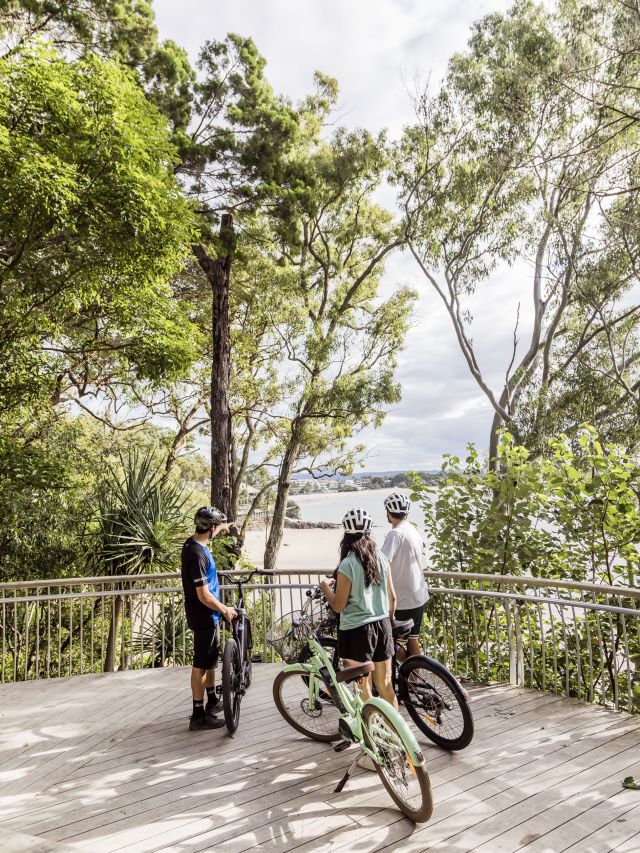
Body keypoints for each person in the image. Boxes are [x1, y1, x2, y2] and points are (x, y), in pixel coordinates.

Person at [320, 507, 397, 708]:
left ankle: (371, 736)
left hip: (357, 632)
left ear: (346, 534)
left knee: (364, 690)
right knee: (386, 686)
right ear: (369, 532)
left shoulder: (348, 564)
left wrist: (325, 588)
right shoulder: (381, 558)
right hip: (382, 625)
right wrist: (387, 621)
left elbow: (338, 606)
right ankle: (396, 735)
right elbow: (393, 598)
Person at [181, 506, 237, 730]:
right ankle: (198, 715)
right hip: (204, 614)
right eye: (217, 527)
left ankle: (212, 700)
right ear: (211, 529)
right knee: (201, 665)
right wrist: (224, 609)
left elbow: (213, 529)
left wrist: (224, 525)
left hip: (206, 614)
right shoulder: (197, 555)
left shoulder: (193, 543)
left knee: (210, 659)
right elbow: (203, 595)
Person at [381, 492, 429, 660]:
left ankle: (405, 674)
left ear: (389, 512)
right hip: (418, 595)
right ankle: (413, 678)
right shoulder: (413, 531)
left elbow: (382, 562)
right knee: (413, 639)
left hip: (401, 598)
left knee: (387, 640)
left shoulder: (395, 534)